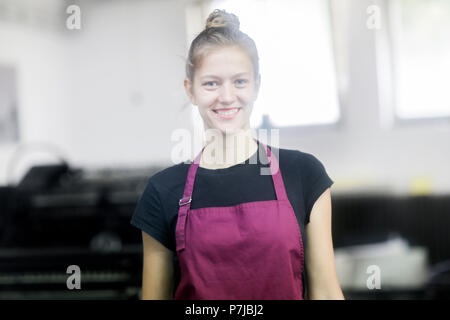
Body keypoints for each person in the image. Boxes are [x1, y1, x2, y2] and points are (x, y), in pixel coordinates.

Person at [130, 9, 344, 300]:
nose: (227, 97)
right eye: (211, 83)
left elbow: (327, 294)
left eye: (239, 81)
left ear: (257, 85)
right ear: (190, 90)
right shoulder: (162, 191)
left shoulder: (304, 174)